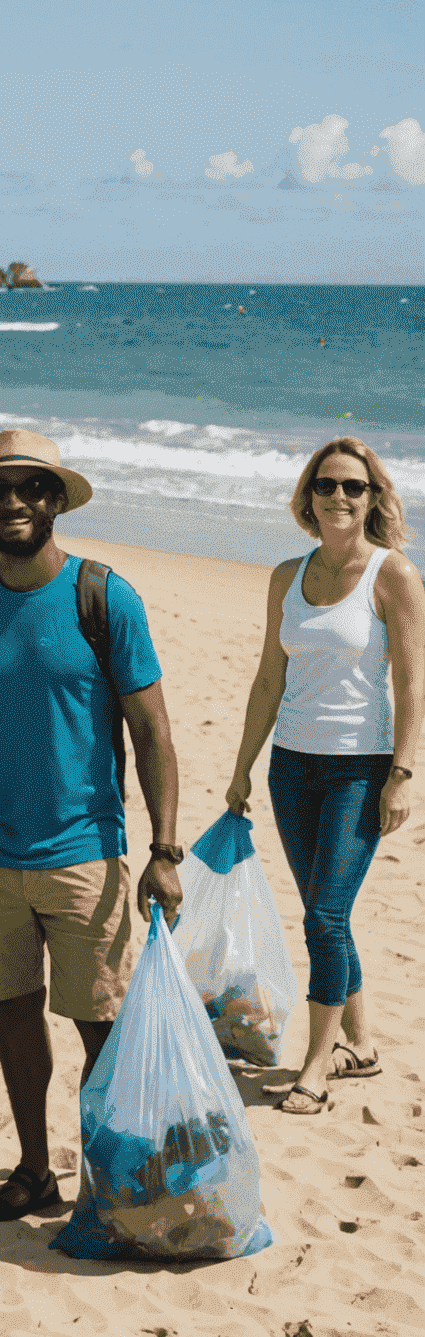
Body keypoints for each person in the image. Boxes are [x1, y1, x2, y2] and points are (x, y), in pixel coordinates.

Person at [0, 428, 182, 1222]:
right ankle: (35, 1168)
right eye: (2, 491)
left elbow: (154, 731)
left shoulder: (104, 596)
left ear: (56, 501)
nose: (16, 503)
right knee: (14, 1015)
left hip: (84, 850)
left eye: (32, 489)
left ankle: (119, 1175)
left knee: (99, 1023)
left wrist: (164, 850)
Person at [225, 438, 422, 1114]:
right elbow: (267, 677)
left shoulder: (392, 573)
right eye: (328, 484)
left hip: (359, 772)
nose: (341, 496)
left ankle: (316, 1063)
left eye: (355, 487)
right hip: (290, 767)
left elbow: (412, 681)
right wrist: (242, 769)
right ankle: (360, 1045)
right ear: (308, 495)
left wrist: (401, 772)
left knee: (326, 917)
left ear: (373, 499)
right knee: (322, 914)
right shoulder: (286, 574)